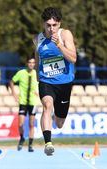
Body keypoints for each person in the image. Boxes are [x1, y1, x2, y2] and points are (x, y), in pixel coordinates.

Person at [33, 7, 77, 156]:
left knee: (59, 123)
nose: (51, 29)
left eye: (54, 25)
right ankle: (48, 143)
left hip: (64, 84)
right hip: (46, 82)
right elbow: (38, 60)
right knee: (47, 106)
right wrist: (38, 80)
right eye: (48, 25)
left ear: (59, 24)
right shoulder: (37, 39)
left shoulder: (65, 35)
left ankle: (52, 118)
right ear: (43, 24)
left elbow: (73, 58)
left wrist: (59, 45)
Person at [9, 57, 39, 152]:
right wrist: (14, 94)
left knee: (31, 124)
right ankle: (22, 138)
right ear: (27, 63)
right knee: (21, 124)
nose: (31, 64)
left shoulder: (37, 74)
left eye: (33, 63)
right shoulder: (21, 73)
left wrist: (39, 92)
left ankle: (30, 145)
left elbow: (43, 83)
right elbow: (11, 82)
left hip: (33, 102)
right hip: (23, 102)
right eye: (29, 62)